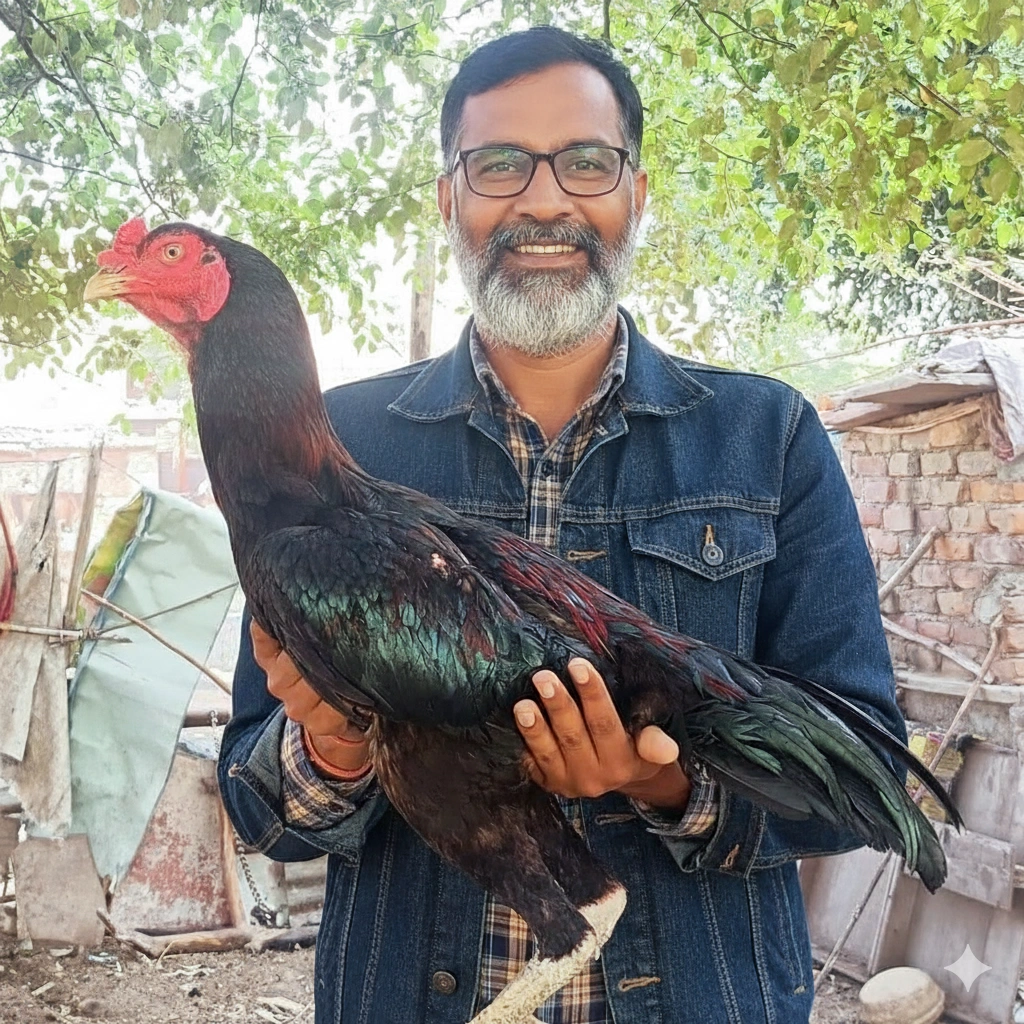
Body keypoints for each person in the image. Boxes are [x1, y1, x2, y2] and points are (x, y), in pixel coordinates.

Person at [218, 25, 901, 1024]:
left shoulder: (769, 436)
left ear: (635, 194)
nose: (544, 200)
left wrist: (663, 784)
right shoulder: (327, 451)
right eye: (499, 164)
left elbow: (861, 763)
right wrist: (331, 746)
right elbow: (256, 806)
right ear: (448, 199)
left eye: (586, 162)